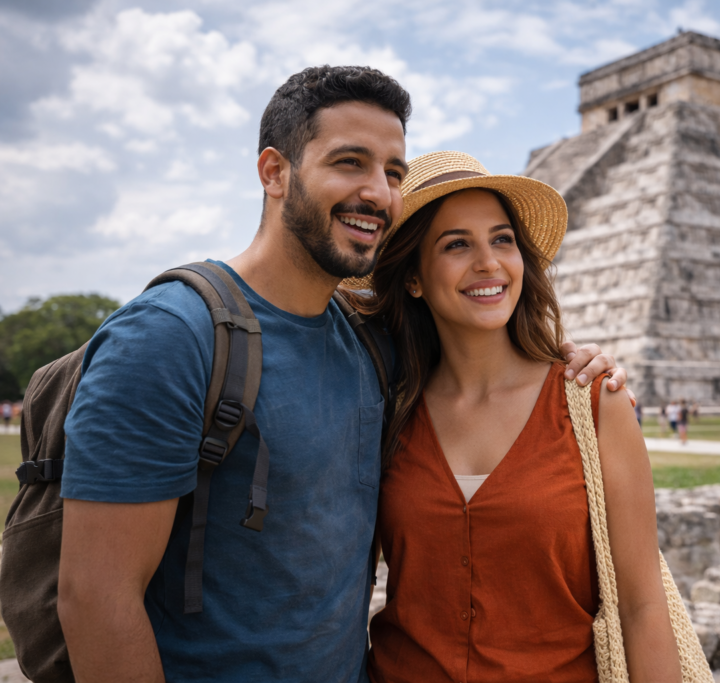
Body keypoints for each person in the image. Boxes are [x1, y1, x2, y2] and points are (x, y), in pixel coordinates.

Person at [56, 68, 627, 683]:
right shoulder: (171, 337)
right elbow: (95, 598)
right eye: (349, 162)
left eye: (392, 171)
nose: (378, 193)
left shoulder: (371, 346)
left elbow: (475, 335)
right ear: (274, 173)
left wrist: (564, 355)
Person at [361, 152, 681, 682]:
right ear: (413, 278)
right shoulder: (385, 411)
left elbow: (642, 606)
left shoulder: (593, 401)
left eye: (502, 239)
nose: (488, 262)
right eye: (456, 243)